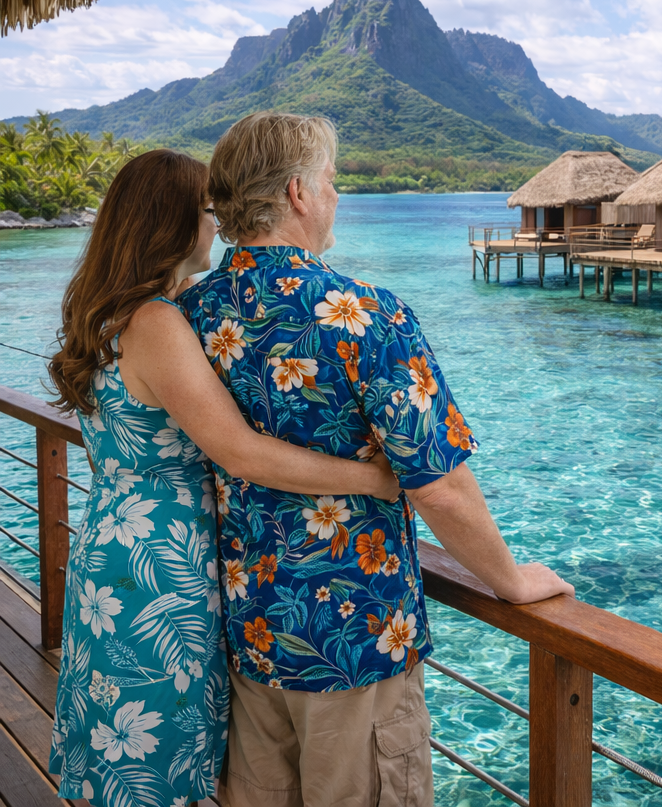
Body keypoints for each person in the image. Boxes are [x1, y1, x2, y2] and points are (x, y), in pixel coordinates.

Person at [179, 112, 574, 807]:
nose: (336, 198)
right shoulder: (364, 313)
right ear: (298, 193)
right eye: (331, 182)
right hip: (355, 642)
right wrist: (509, 580)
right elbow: (441, 485)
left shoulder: (189, 313)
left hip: (251, 630)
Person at [47, 149, 401, 807]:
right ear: (172, 224)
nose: (218, 227)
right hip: (161, 572)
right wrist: (373, 478)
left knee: (122, 750)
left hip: (113, 548)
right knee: (156, 757)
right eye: (207, 213)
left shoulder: (103, 316)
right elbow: (240, 453)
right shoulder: (155, 324)